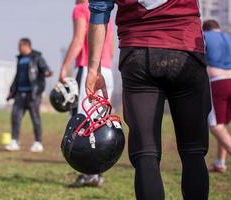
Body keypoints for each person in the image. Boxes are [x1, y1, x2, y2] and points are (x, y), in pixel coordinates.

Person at [86, 1, 210, 199]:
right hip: (185, 50)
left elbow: (99, 11)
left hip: (138, 53)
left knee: (145, 153)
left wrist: (93, 68)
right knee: (193, 150)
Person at [59, 0, 114, 187]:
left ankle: (87, 173)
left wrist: (64, 66)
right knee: (98, 124)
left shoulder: (81, 8)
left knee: (82, 123)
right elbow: (112, 45)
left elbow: (78, 38)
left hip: (88, 70)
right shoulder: (106, 8)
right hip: (106, 71)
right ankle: (96, 173)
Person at [5, 38, 53, 152]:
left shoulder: (37, 57)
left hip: (33, 94)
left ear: (26, 46)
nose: (18, 49)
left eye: (19, 46)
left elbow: (44, 68)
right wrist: (12, 90)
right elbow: (17, 76)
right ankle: (14, 141)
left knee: (35, 118)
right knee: (15, 117)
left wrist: (47, 72)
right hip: (20, 94)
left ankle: (38, 143)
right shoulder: (20, 59)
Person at [204, 20, 231, 173]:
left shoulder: (204, 36)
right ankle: (220, 163)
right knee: (223, 124)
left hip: (217, 82)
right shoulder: (228, 37)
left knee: (215, 126)